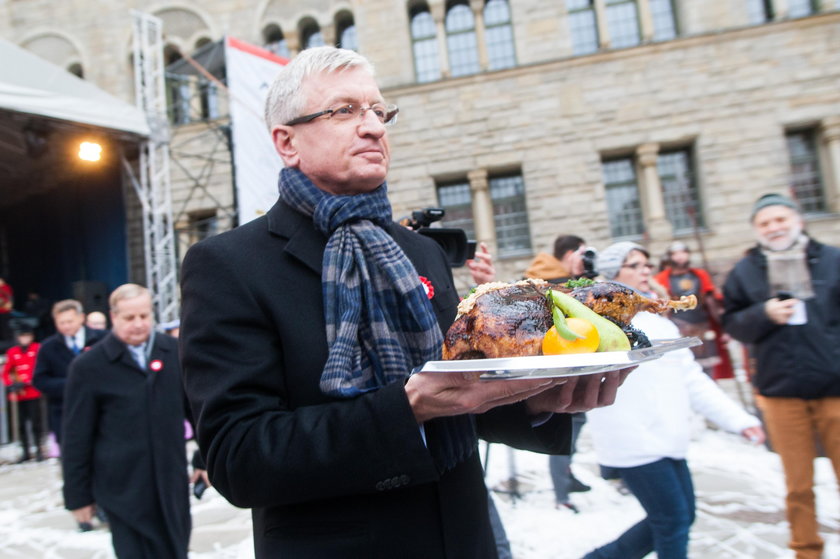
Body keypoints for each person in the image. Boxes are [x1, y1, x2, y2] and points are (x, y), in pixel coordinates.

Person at [179, 46, 630, 559]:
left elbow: (463, 392)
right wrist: (407, 409)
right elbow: (239, 457)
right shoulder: (230, 264)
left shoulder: (420, 251)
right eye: (344, 110)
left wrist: (536, 402)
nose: (373, 127)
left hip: (462, 537)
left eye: (378, 110)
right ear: (287, 142)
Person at [581, 241, 765, 559]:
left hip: (669, 439)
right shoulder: (598, 320)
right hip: (633, 442)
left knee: (678, 517)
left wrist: (739, 421)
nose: (646, 270)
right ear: (612, 274)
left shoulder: (662, 322)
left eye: (646, 264)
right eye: (634, 265)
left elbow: (692, 380)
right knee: (672, 521)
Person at [722, 193, 840, 559]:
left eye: (779, 220)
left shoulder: (833, 261)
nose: (774, 228)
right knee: (798, 484)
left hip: (834, 386)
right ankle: (807, 550)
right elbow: (733, 324)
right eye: (765, 224)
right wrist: (764, 314)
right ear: (757, 231)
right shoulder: (745, 272)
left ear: (797, 221)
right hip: (780, 390)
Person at [61, 284, 208, 557]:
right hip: (122, 488)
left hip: (170, 482)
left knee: (175, 550)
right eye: (129, 318)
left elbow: (198, 411)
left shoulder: (174, 352)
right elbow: (76, 437)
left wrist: (205, 458)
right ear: (113, 316)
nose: (138, 324)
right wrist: (78, 496)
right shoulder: (89, 367)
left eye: (144, 316)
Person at [525, 234, 592, 511]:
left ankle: (567, 475)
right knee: (565, 425)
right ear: (569, 254)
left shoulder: (562, 275)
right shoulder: (548, 278)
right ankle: (561, 494)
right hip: (557, 365)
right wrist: (575, 278)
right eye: (582, 254)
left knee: (577, 422)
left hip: (573, 361)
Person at [32, 299, 106, 447]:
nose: (66, 326)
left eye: (69, 321)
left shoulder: (103, 339)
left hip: (102, 411)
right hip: (65, 413)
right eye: (61, 322)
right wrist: (70, 385)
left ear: (81, 318)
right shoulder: (48, 347)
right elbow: (40, 380)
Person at [655, 241, 731, 377]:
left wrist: (725, 327)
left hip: (702, 325)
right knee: (683, 367)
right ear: (670, 257)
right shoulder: (661, 279)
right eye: (675, 254)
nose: (679, 257)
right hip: (677, 327)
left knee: (708, 369)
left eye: (683, 252)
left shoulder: (700, 275)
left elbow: (711, 303)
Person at [1, 325, 44, 462]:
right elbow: (6, 372)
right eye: (21, 336)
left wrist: (28, 381)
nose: (24, 339)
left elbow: (40, 367)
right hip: (19, 393)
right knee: (20, 424)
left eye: (26, 336)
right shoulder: (12, 352)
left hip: (32, 391)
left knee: (36, 422)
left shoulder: (37, 348)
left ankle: (38, 449)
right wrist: (11, 385)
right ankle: (25, 451)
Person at [0, 276, 13, 343]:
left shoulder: (6, 287)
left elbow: (9, 298)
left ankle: (7, 341)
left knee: (5, 327)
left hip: (4, 311)